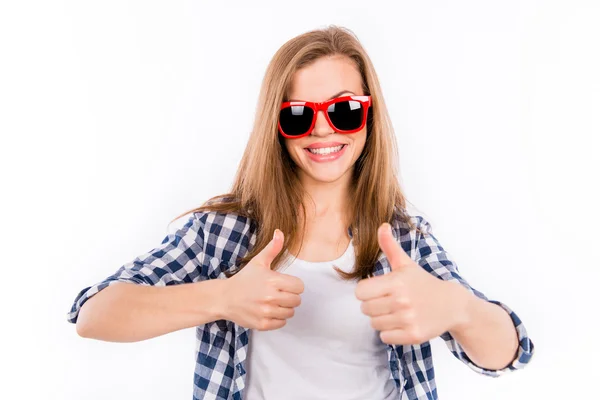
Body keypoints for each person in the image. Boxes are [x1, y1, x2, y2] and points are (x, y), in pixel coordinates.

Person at [67, 26, 535, 400]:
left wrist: (456, 307)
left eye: (345, 110)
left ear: (369, 116)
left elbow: (510, 353)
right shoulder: (222, 231)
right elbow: (94, 314)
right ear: (277, 126)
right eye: (298, 115)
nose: (323, 130)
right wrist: (224, 297)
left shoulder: (404, 240)